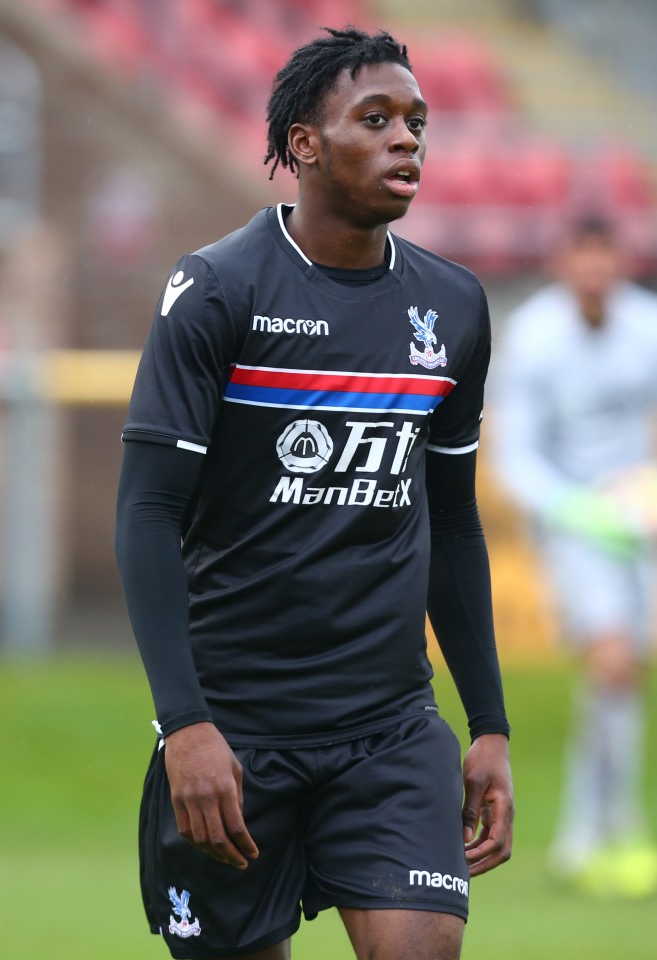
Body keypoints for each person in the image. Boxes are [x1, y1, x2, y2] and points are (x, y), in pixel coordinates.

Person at [115, 27, 513, 960]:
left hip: (387, 727)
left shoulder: (452, 309)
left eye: (416, 122)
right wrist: (186, 726)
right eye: (374, 120)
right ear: (302, 143)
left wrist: (488, 722)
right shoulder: (219, 291)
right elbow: (146, 514)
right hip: (234, 729)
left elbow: (452, 522)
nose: (406, 139)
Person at [492, 215, 657, 897]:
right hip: (572, 519)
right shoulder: (533, 336)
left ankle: (590, 833)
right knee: (612, 655)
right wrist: (580, 510)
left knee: (622, 674)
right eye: (581, 258)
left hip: (639, 517)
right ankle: (608, 834)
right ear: (562, 263)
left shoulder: (646, 325)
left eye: (605, 258)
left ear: (619, 261)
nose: (594, 272)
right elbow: (515, 457)